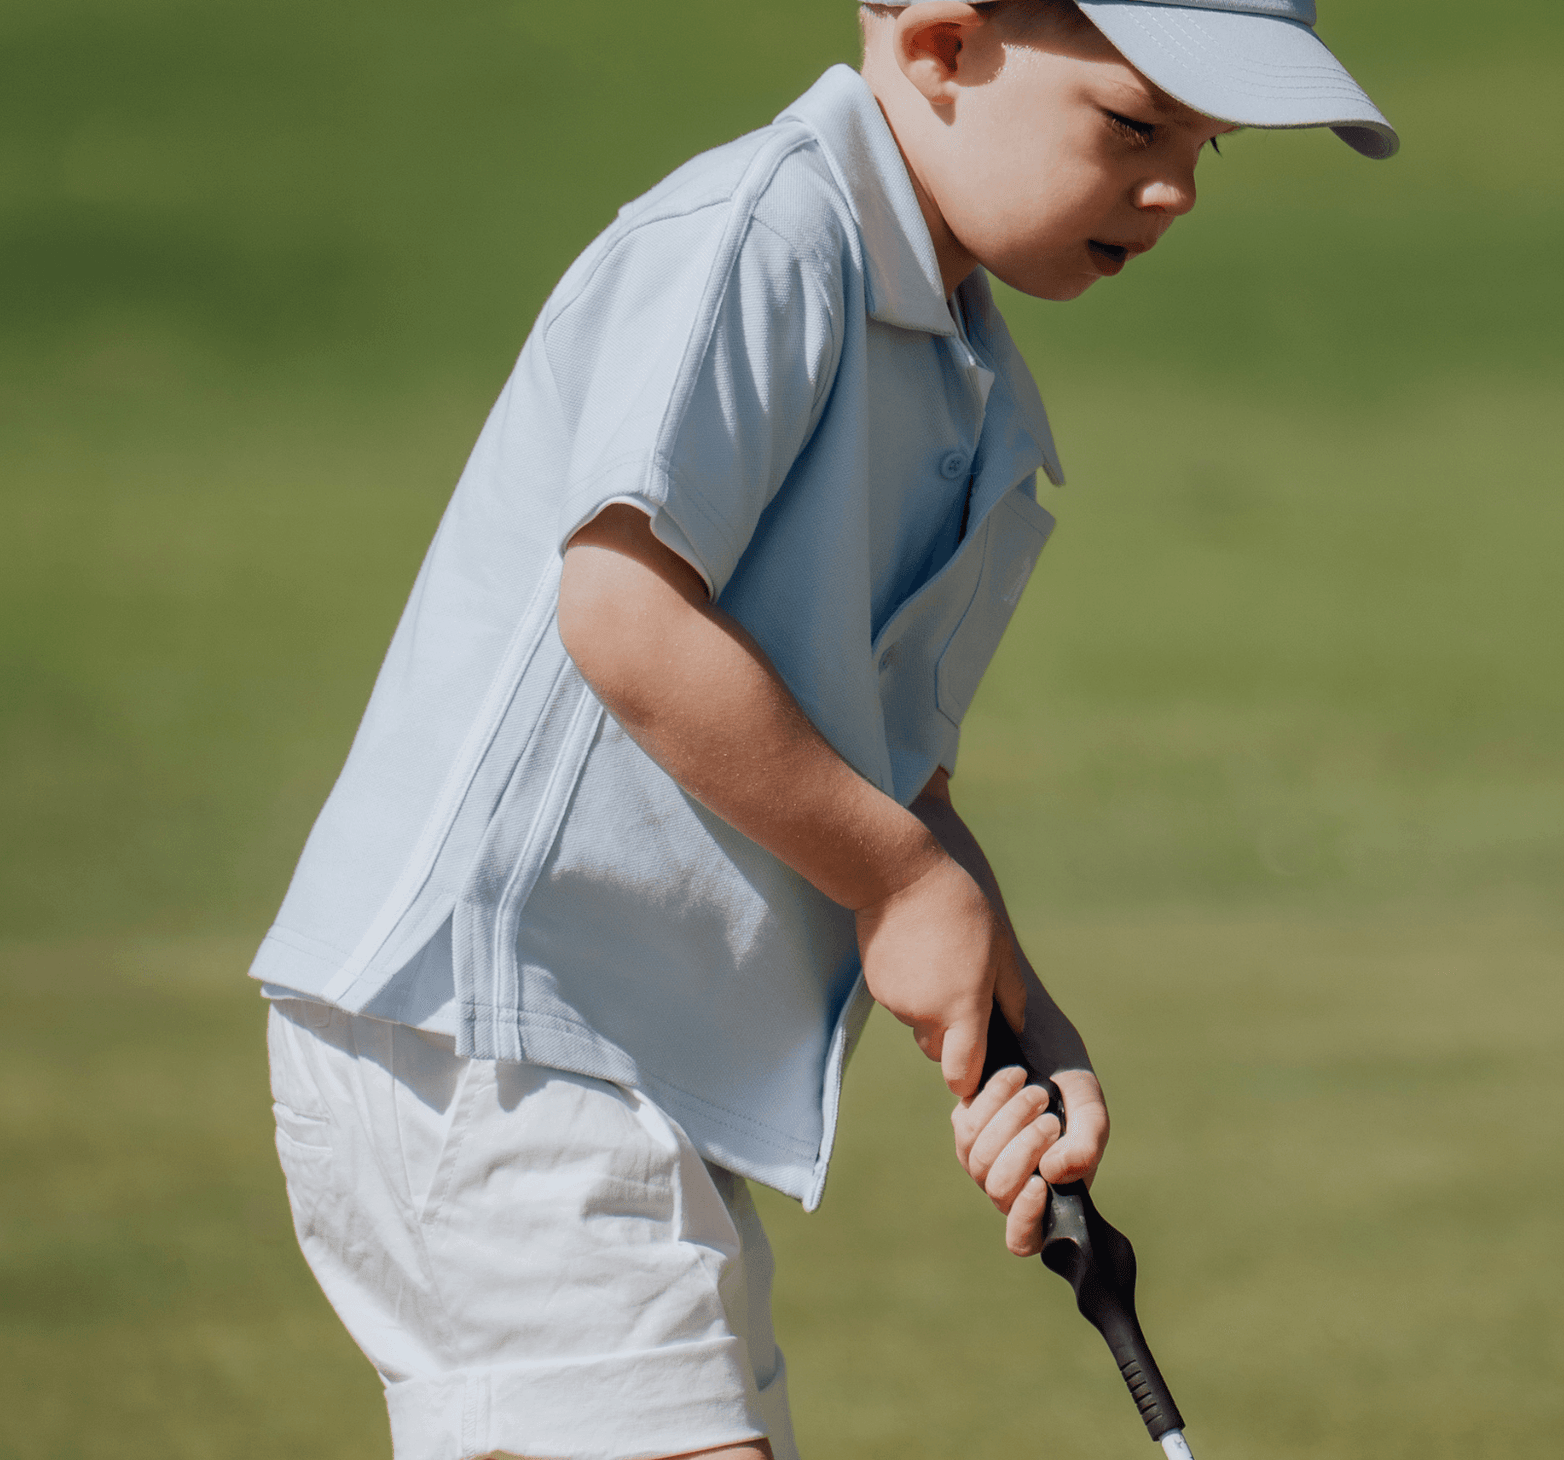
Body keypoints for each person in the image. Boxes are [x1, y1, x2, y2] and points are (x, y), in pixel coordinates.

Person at [252, 4, 1396, 1458]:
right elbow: (624, 614)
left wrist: (1020, 1019)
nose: (1174, 187)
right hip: (487, 1036)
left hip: (611, 1060)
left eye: (1202, 144)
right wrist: (898, 883)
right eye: (1130, 124)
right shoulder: (768, 236)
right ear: (936, 46)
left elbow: (878, 770)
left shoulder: (959, 370)